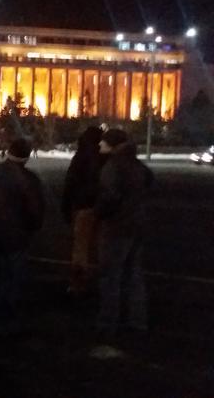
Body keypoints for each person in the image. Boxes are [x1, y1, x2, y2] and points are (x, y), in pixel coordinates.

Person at [0, 138, 45, 337]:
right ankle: (4, 320)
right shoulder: (29, 180)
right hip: (15, 235)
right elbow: (35, 210)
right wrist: (31, 227)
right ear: (27, 156)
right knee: (10, 278)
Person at [94, 129, 153, 336]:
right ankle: (137, 320)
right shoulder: (137, 166)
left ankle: (108, 322)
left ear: (112, 144)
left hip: (116, 227)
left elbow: (109, 197)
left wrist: (99, 213)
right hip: (136, 226)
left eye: (104, 142)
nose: (100, 145)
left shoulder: (113, 167)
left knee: (111, 276)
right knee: (134, 275)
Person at [62, 126, 106, 297]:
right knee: (101, 247)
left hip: (83, 207)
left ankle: (78, 283)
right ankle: (103, 282)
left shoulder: (81, 157)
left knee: (81, 249)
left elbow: (70, 183)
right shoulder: (105, 158)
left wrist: (66, 207)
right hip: (102, 209)